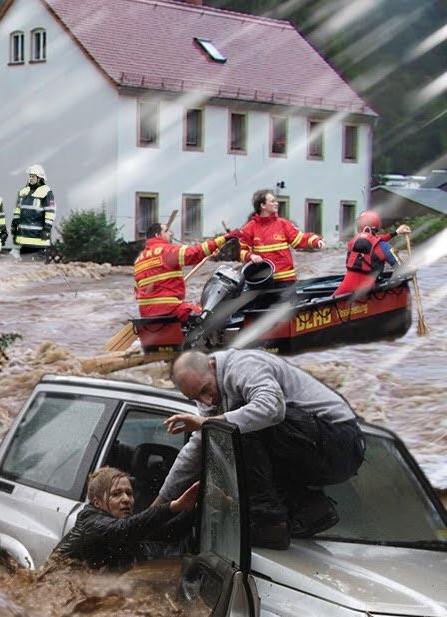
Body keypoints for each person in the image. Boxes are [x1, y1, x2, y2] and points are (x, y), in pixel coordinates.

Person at [161, 349, 365, 550]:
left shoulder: (243, 364)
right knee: (226, 433)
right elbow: (195, 451)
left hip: (340, 442)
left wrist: (207, 422)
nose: (207, 400)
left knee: (238, 426)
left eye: (206, 389)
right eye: (197, 397)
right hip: (311, 447)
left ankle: (269, 523)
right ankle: (308, 507)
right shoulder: (211, 395)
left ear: (213, 367)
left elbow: (272, 408)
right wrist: (157, 509)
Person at [52, 468, 199, 570]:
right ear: (97, 503)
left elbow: (170, 533)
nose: (126, 499)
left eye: (129, 493)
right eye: (116, 494)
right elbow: (124, 530)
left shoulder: (126, 525)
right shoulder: (90, 521)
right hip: (55, 582)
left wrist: (198, 506)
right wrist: (173, 506)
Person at [134, 222, 232, 320]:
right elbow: (193, 253)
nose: (171, 233)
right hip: (168, 309)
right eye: (166, 231)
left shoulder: (139, 260)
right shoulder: (166, 250)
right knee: (208, 317)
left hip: (146, 313)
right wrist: (221, 240)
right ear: (157, 235)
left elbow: (138, 290)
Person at [237, 189, 324, 286]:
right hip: (263, 281)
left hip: (286, 280)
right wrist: (251, 256)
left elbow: (299, 239)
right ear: (263, 205)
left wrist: (316, 240)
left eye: (276, 201)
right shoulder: (249, 228)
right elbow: (242, 252)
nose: (277, 204)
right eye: (272, 201)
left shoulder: (283, 224)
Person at [332, 210, 412, 298]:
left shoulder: (352, 243)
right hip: (367, 290)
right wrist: (411, 268)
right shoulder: (384, 247)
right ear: (377, 226)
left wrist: (396, 233)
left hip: (345, 287)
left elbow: (375, 239)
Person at [9, 164, 55, 257]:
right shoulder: (23, 191)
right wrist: (14, 224)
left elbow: (50, 212)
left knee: (38, 265)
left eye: (33, 176)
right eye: (30, 176)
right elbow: (18, 209)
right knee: (25, 264)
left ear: (40, 178)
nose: (30, 178)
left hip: (38, 237)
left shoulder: (46, 192)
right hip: (24, 237)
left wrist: (47, 229)